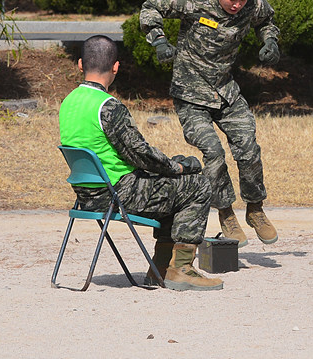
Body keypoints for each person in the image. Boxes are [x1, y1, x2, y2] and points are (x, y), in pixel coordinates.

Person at [58, 35, 222, 291]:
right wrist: (176, 167)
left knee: (174, 183)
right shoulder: (107, 106)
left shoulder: (68, 103)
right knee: (197, 185)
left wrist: (170, 167)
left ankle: (160, 269)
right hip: (117, 194)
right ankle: (180, 269)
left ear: (80, 65)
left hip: (86, 194)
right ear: (116, 67)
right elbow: (140, 154)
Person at [139, 0, 280, 247]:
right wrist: (159, 40)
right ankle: (226, 212)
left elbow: (267, 21)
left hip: (225, 91)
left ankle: (255, 209)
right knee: (213, 152)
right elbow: (150, 8)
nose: (237, 5)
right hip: (191, 95)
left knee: (248, 146)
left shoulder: (253, 3)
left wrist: (270, 41)